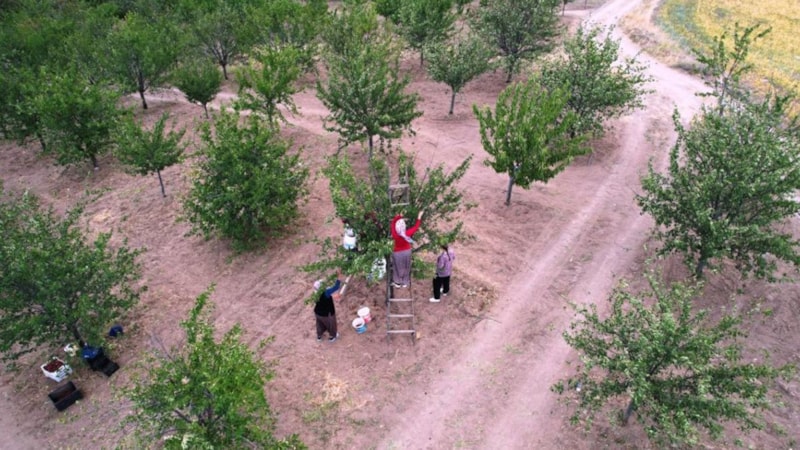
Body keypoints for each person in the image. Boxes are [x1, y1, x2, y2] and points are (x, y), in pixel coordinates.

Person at [390, 210, 423, 288]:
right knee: (406, 266)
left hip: (397, 252)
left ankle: (397, 282)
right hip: (406, 252)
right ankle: (405, 282)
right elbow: (416, 227)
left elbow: (393, 224)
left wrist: (398, 216)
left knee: (396, 267)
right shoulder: (407, 233)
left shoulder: (395, 234)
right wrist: (419, 217)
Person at [313, 272, 342, 342]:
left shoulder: (316, 292)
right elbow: (336, 287)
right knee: (331, 324)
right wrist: (339, 276)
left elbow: (324, 298)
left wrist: (332, 296)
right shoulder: (326, 293)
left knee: (319, 324)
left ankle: (319, 336)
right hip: (326, 314)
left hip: (317, 312)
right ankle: (333, 336)